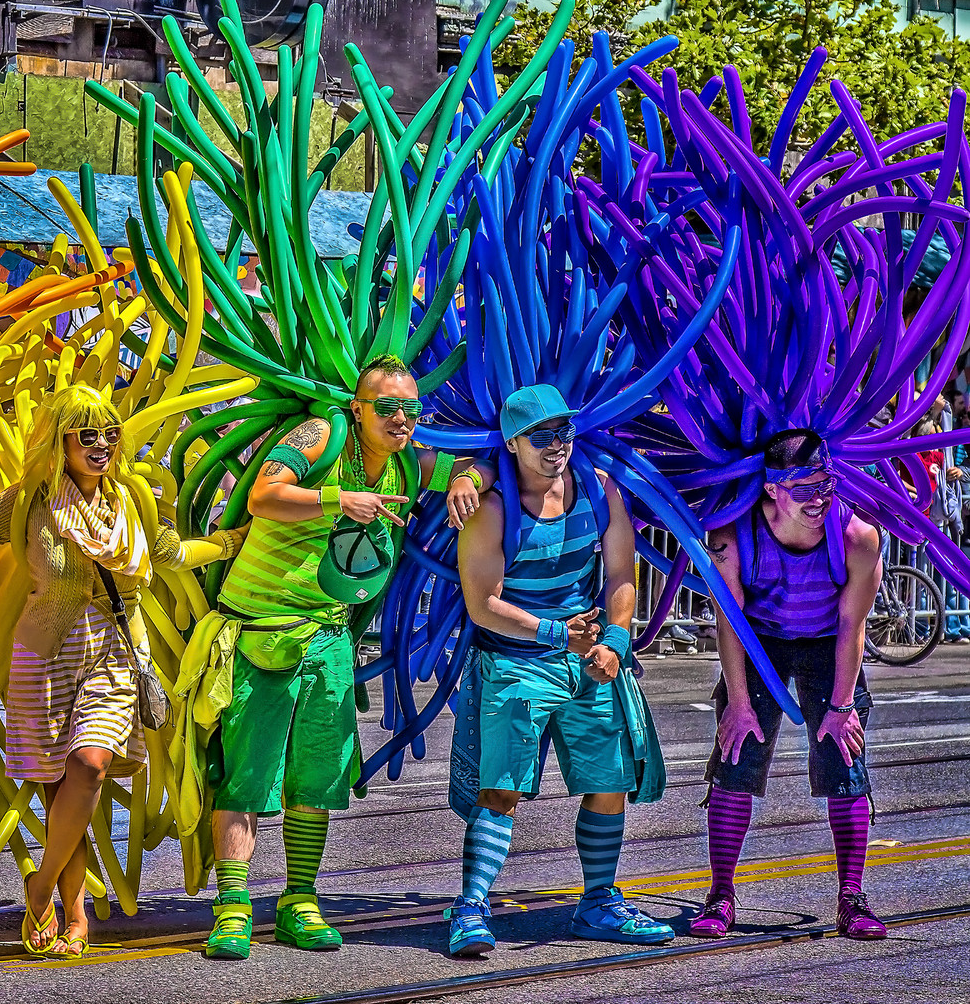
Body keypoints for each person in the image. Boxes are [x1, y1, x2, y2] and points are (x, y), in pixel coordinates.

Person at [0, 385, 244, 957]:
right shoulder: (29, 501)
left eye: (109, 433)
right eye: (88, 434)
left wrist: (231, 541)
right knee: (61, 792)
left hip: (113, 653)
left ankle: (41, 888)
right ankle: (74, 915)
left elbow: (171, 553)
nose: (101, 444)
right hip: (42, 659)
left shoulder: (131, 500)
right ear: (62, 441)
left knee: (89, 766)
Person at [202, 355, 492, 960]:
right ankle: (233, 909)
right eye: (387, 407)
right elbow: (263, 496)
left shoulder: (410, 464)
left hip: (328, 639)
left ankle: (298, 903)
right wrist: (339, 500)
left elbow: (473, 464)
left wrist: (469, 479)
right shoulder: (324, 434)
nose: (402, 419)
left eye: (411, 409)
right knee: (248, 776)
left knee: (319, 775)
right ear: (359, 408)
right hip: (261, 630)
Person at [449, 384, 672, 957]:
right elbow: (483, 605)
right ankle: (471, 907)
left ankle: (598, 901)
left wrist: (617, 642)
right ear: (513, 443)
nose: (557, 446)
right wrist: (555, 633)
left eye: (565, 432)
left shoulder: (599, 492)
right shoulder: (492, 510)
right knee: (500, 790)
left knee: (609, 783)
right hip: (516, 665)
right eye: (543, 437)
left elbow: (623, 574)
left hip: (589, 661)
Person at [696, 429, 886, 940]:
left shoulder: (856, 537)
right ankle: (720, 895)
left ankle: (852, 898)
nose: (819, 498)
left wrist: (843, 705)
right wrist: (737, 700)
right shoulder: (732, 536)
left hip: (829, 642)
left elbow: (853, 625)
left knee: (844, 758)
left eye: (825, 484)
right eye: (803, 489)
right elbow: (729, 619)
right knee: (737, 754)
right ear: (771, 490)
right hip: (759, 641)